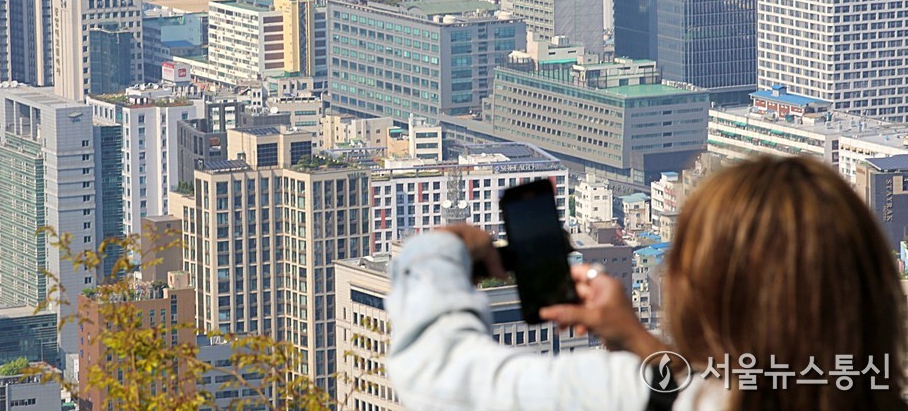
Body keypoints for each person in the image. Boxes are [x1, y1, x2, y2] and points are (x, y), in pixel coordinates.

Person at [386, 156, 907, 410]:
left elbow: (437, 375)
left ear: (701, 292)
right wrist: (638, 342)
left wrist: (440, 248)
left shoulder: (621, 394)